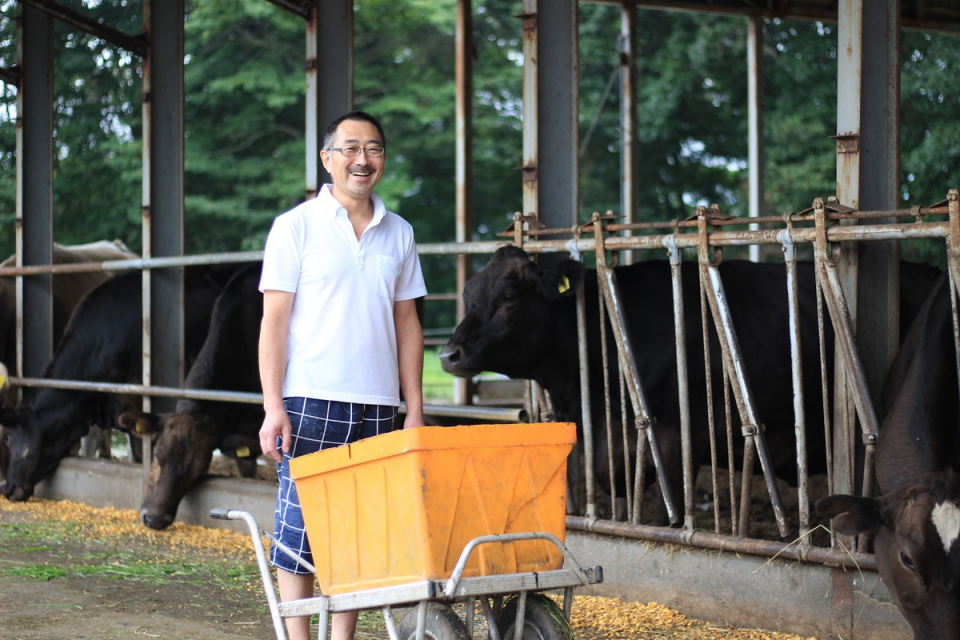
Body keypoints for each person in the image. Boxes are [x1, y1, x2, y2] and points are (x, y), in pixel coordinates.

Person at [257, 110, 427, 640]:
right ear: (327, 158)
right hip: (309, 399)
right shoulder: (295, 227)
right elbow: (274, 323)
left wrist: (414, 407)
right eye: (350, 148)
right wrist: (273, 405)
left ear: (382, 160)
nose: (362, 159)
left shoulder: (399, 232)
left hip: (378, 406)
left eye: (373, 149)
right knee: (299, 531)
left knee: (359, 533)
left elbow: (408, 324)